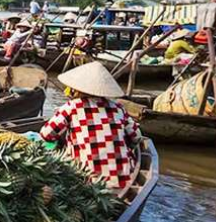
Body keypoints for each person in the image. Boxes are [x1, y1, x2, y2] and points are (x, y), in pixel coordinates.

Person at [39, 61, 141, 190]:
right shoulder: (118, 108)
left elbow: (46, 135)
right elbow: (137, 137)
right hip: (122, 183)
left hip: (86, 183)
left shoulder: (71, 107)